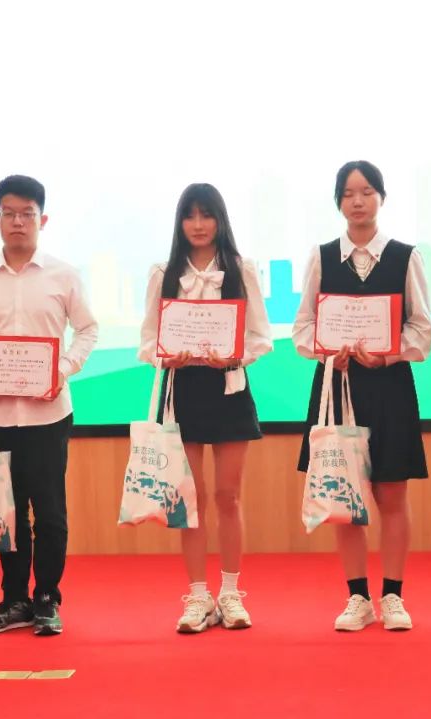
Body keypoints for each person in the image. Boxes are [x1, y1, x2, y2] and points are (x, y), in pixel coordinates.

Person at [293, 160, 431, 632]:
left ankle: (393, 596)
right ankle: (357, 598)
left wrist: (387, 355)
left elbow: (421, 330)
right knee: (343, 495)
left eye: (367, 191)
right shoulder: (322, 257)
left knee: (392, 496)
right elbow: (303, 327)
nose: (358, 201)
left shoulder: (405, 256)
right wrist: (328, 351)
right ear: (338, 202)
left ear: (381, 198)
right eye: (349, 193)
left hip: (390, 386)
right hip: (337, 387)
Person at [0, 175, 98, 637]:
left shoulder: (63, 274)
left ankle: (47, 598)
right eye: (10, 214)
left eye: (27, 214)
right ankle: (14, 600)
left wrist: (63, 369)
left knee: (50, 513)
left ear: (43, 219)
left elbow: (88, 330)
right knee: (8, 514)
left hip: (49, 413)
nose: (18, 222)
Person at [139, 183, 273, 633]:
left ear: (220, 220)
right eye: (190, 215)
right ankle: (198, 597)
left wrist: (234, 356)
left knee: (228, 496)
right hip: (183, 390)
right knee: (190, 499)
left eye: (207, 214)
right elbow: (147, 340)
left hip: (229, 388)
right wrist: (166, 356)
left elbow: (261, 337)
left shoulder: (240, 269)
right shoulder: (164, 273)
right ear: (180, 222)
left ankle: (231, 593)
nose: (198, 224)